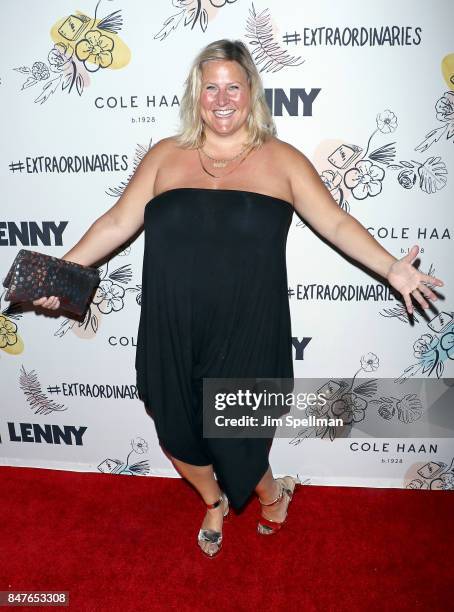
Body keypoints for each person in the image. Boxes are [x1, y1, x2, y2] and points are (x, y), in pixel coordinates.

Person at [33, 39, 444, 558]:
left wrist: (391, 268)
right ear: (196, 94)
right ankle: (212, 501)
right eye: (211, 87)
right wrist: (55, 272)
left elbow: (336, 221)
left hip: (249, 329)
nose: (222, 98)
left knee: (238, 441)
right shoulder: (164, 156)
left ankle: (273, 490)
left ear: (251, 91)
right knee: (179, 432)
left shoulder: (282, 160)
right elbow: (116, 222)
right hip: (171, 326)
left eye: (233, 86)